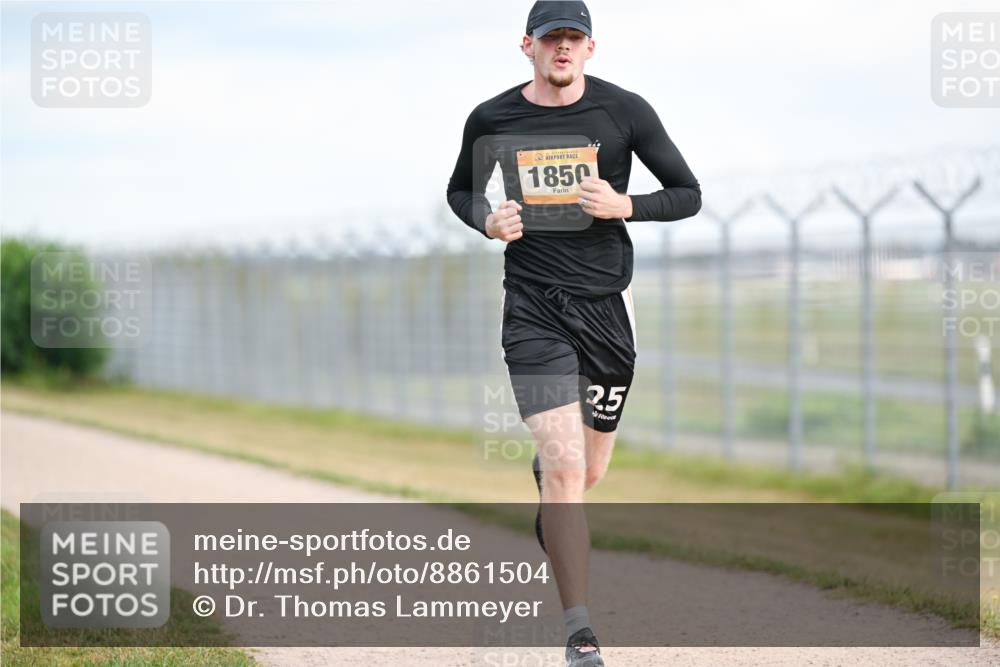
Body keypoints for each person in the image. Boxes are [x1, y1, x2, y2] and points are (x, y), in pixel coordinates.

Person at [446, 2, 701, 665]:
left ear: (591, 48)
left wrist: (627, 205)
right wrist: (486, 220)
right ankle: (580, 633)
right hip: (532, 306)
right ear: (527, 45)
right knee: (564, 466)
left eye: (574, 38)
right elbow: (460, 192)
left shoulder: (624, 112)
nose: (562, 47)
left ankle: (556, 482)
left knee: (588, 471)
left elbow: (688, 192)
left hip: (607, 306)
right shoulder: (493, 118)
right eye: (551, 37)